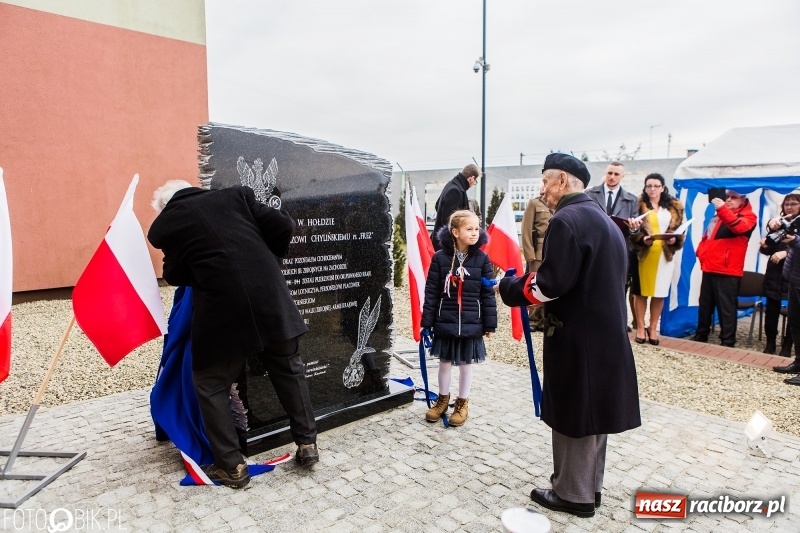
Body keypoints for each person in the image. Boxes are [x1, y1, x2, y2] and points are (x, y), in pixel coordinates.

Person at [147, 180, 318, 489]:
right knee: (289, 369)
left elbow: (173, 274)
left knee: (211, 383)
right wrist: (260, 257)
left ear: (164, 207)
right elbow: (282, 225)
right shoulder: (236, 195)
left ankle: (232, 467)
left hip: (222, 313)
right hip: (269, 296)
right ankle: (307, 444)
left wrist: (207, 268)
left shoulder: (166, 225)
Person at [497, 153, 641, 518]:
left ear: (563, 181)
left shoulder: (567, 220)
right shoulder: (604, 221)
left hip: (579, 337)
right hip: (604, 334)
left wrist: (510, 289)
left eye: (545, 181)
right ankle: (589, 489)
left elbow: (550, 284)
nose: (542, 189)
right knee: (594, 419)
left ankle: (571, 495)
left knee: (575, 416)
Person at [421, 209, 497, 427]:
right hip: (445, 319)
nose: (474, 233)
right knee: (444, 362)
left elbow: (488, 293)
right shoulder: (440, 258)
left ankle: (462, 402)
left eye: (476, 228)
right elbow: (432, 292)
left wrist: (490, 323)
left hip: (472, 321)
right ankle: (442, 399)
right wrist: (427, 322)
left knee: (465, 363)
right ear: (455, 231)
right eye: (469, 229)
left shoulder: (482, 259)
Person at [691, 189, 757, 347]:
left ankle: (728, 341)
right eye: (727, 197)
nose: (728, 200)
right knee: (705, 304)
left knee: (726, 307)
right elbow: (707, 237)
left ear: (743, 200)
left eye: (733, 197)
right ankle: (701, 335)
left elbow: (739, 228)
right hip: (709, 266)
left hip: (728, 269)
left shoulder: (748, 217)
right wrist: (701, 252)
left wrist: (722, 209)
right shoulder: (718, 216)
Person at [630, 174, 685, 345]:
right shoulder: (638, 204)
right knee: (640, 292)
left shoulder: (675, 206)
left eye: (655, 186)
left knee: (659, 293)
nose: (652, 189)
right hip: (644, 253)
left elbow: (681, 229)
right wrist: (641, 238)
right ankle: (640, 326)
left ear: (663, 187)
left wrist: (675, 239)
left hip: (665, 254)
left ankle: (653, 328)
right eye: (649, 186)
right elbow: (632, 229)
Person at [585, 161, 640, 331]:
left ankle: (617, 323)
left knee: (618, 287)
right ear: (605, 173)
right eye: (610, 173)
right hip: (594, 247)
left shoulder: (631, 200)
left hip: (618, 249)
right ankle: (591, 320)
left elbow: (635, 229)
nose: (612, 177)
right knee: (592, 284)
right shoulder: (590, 194)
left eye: (616, 174)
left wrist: (634, 227)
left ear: (622, 177)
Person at [759, 194, 800, 355]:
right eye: (786, 204)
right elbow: (767, 249)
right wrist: (764, 245)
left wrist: (785, 252)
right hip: (775, 273)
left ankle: (787, 346)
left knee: (794, 314)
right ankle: (770, 343)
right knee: (771, 311)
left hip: (793, 274)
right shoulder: (779, 223)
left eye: (794, 204)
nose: (789, 207)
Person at [520, 195, 553, 330]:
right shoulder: (534, 203)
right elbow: (526, 229)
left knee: (550, 285)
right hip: (538, 251)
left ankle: (545, 318)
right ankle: (533, 318)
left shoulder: (558, 202)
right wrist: (529, 253)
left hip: (553, 249)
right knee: (535, 284)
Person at [431, 164, 481, 250]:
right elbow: (449, 220)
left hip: (442, 242)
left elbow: (437, 205)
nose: (473, 184)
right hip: (447, 245)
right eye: (475, 182)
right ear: (471, 178)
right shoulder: (456, 191)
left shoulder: (451, 185)